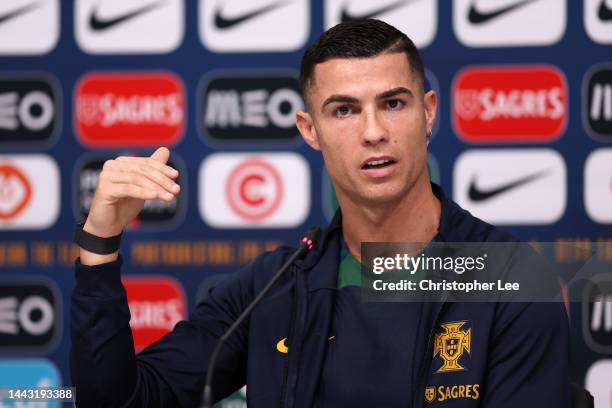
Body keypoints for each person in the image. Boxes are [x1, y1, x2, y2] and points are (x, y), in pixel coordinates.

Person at [71, 19, 569, 407]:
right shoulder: (273, 287)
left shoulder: (513, 279)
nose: (374, 132)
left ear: (429, 111)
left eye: (393, 103)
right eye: (344, 110)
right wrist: (100, 243)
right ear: (310, 130)